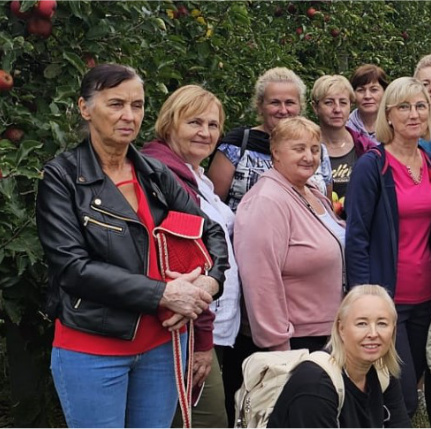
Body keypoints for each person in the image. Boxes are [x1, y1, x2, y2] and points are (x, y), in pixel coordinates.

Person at [36, 64, 229, 428]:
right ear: (84, 108)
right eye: (116, 104)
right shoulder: (62, 178)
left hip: (162, 346)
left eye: (137, 105)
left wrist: (208, 283)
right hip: (94, 347)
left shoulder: (154, 174)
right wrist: (163, 294)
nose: (129, 116)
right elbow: (73, 269)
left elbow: (211, 233)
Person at [344, 77, 431, 427]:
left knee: (414, 385)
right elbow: (357, 237)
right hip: (388, 301)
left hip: (429, 299)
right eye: (403, 107)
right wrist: (362, 299)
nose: (413, 114)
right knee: (403, 396)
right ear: (388, 115)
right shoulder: (373, 166)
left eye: (420, 106)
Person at [141, 85, 238, 428]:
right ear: (169, 124)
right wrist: (202, 339)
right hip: (182, 326)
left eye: (213, 125)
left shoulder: (195, 176)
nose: (205, 132)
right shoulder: (164, 175)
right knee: (207, 419)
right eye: (194, 122)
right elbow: (189, 264)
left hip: (200, 322)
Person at [234, 117, 345, 354]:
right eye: (298, 149)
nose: (309, 156)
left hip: (325, 333)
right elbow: (260, 278)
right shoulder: (266, 200)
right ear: (275, 152)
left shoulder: (312, 191)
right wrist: (277, 344)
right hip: (293, 341)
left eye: (315, 149)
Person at [268, 285, 411, 428]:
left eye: (382, 323)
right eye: (362, 323)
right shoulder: (316, 386)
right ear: (341, 329)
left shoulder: (382, 373)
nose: (373, 333)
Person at [207, 67, 331, 211]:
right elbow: (213, 206)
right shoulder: (237, 145)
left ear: (300, 106)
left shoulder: (316, 149)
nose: (283, 110)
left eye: (290, 102)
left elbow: (326, 207)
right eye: (275, 103)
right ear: (260, 106)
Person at [311, 75, 378, 200]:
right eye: (329, 103)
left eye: (343, 103)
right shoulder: (305, 148)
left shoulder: (367, 148)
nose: (337, 109)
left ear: (350, 107)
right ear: (315, 107)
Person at [348, 64, 389, 142]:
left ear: (385, 92)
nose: (367, 96)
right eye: (361, 90)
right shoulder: (345, 128)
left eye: (374, 90)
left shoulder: (395, 127)